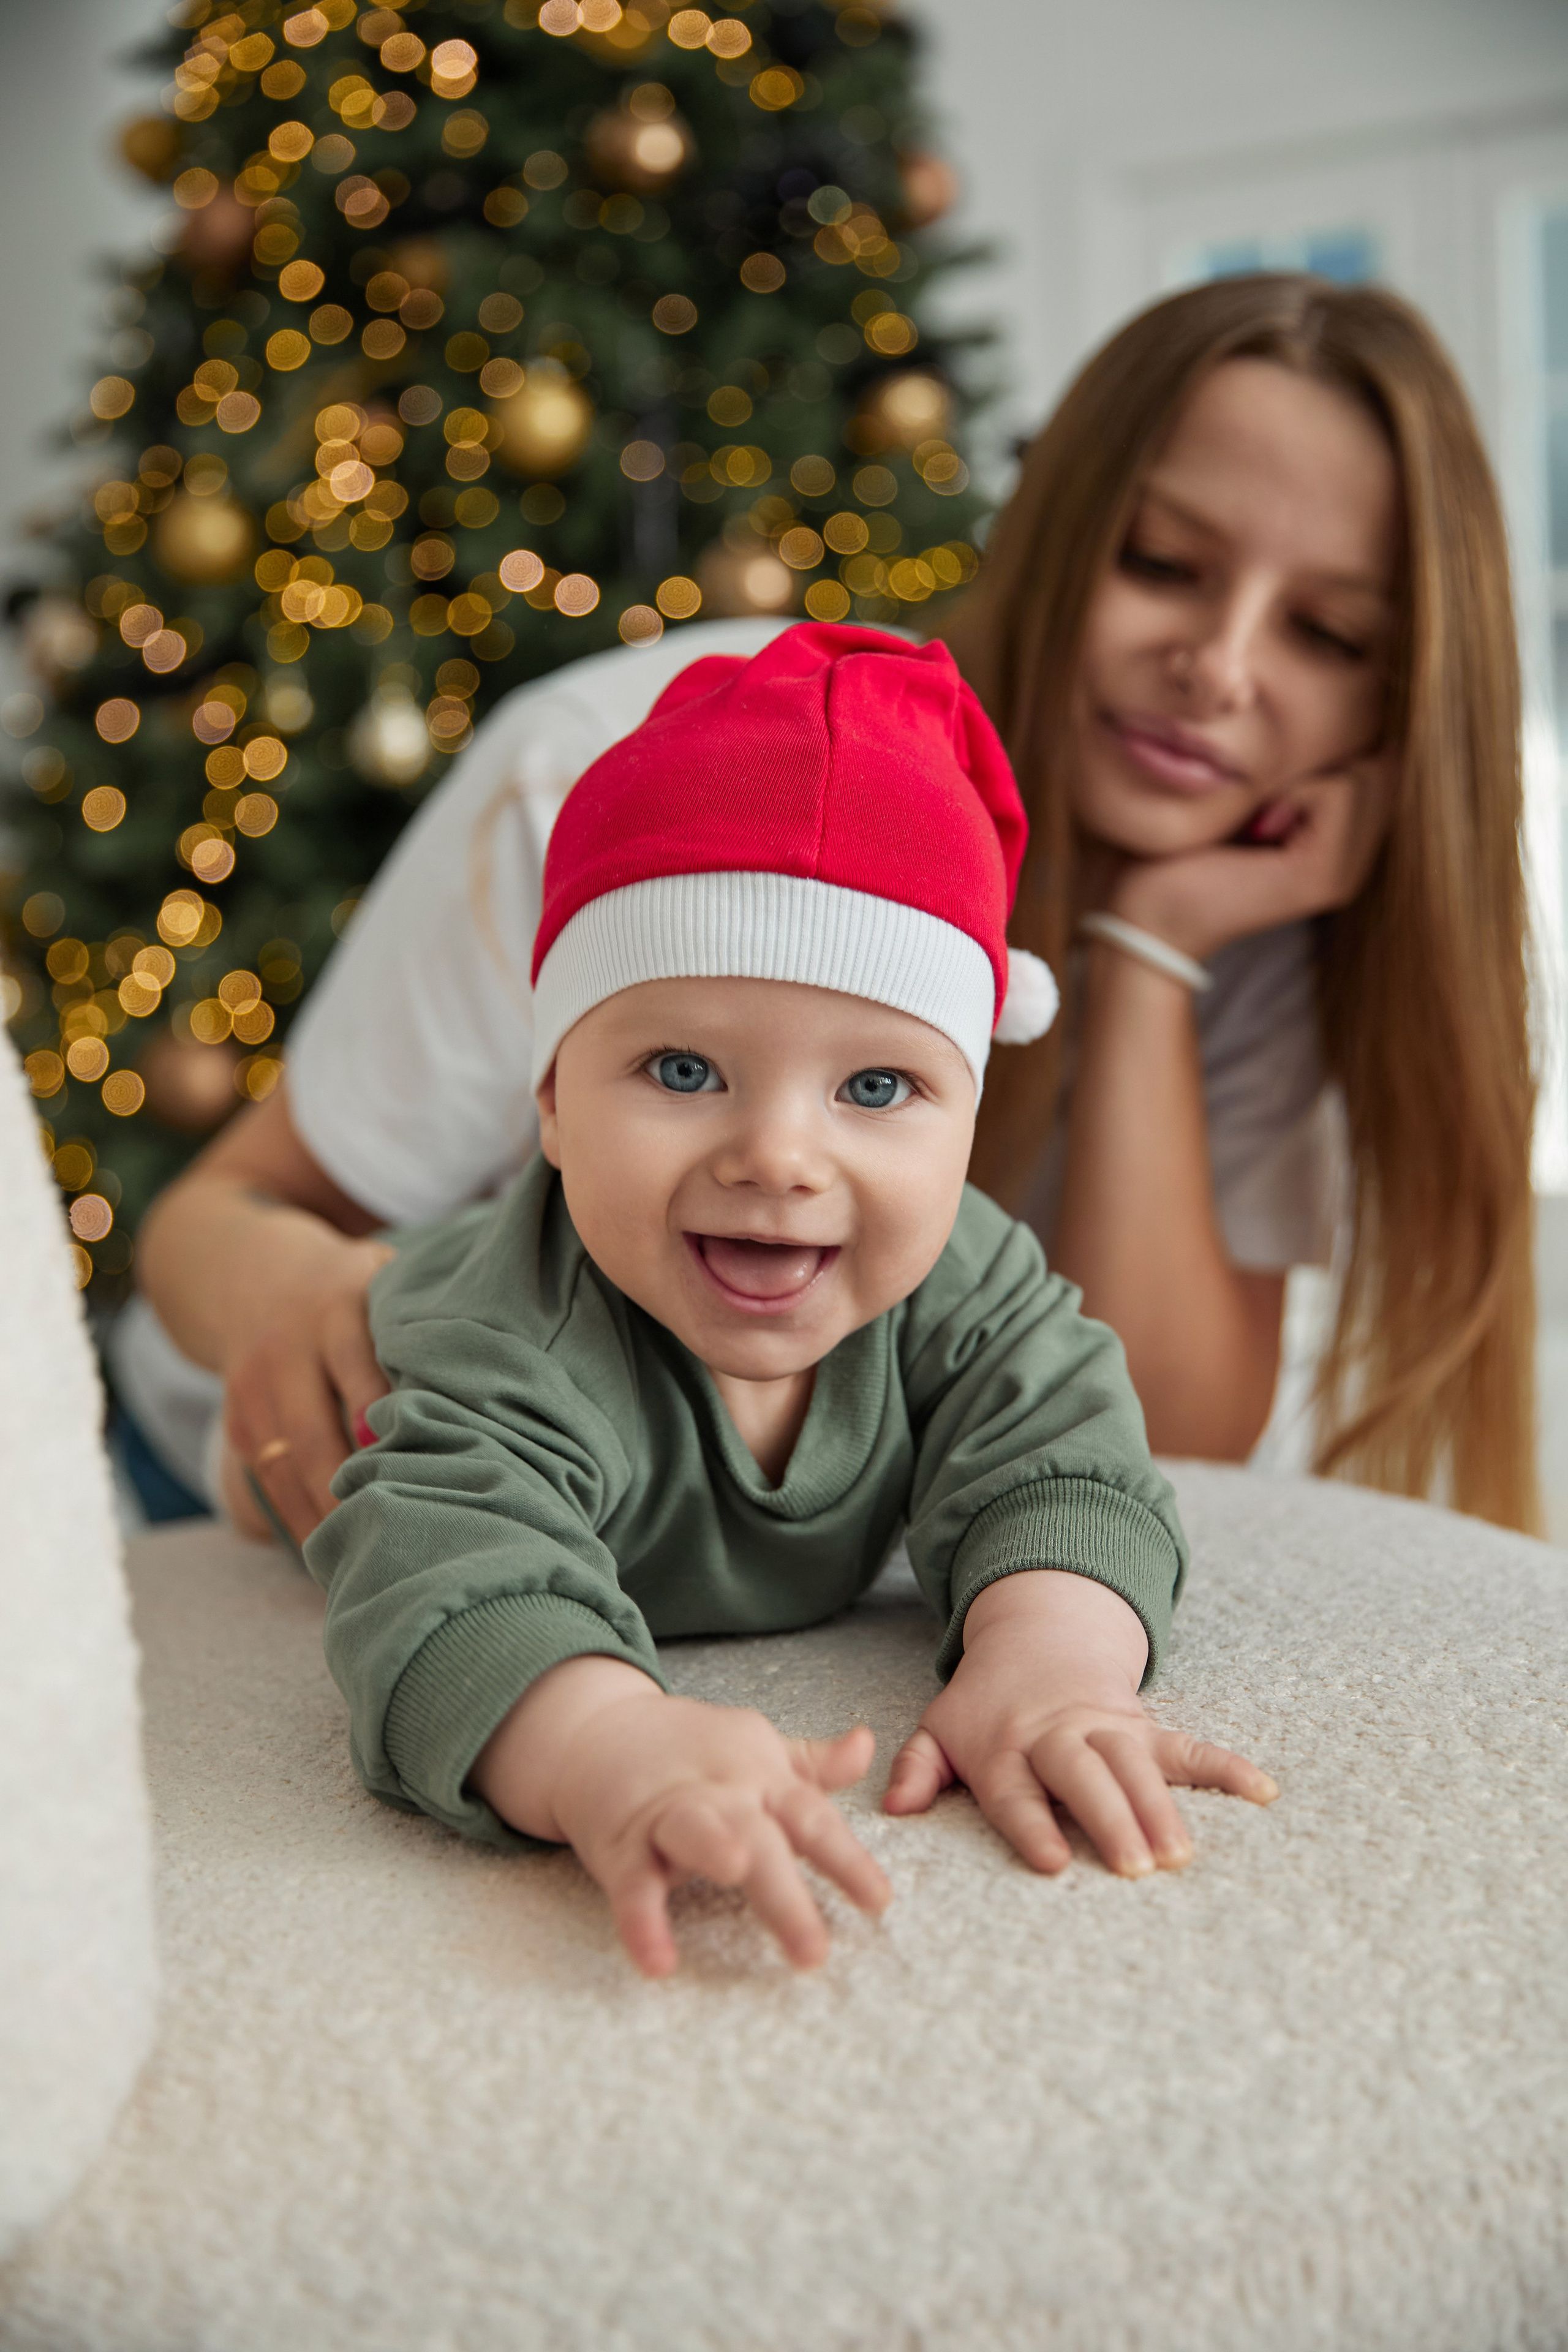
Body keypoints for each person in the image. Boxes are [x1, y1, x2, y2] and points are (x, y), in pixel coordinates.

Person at [130, 272, 1538, 1544]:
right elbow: (214, 1218)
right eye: (1160, 565)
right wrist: (293, 1298)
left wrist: (1153, 953)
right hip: (218, 1493)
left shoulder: (1254, 906)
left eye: (1327, 634)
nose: (1219, 669)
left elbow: (1150, 1452)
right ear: (1051, 526)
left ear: (1395, 696)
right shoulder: (627, 766)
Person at [303, 623, 1276, 1975]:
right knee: (305, 1502)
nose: (776, 1157)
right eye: (683, 1070)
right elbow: (437, 1577)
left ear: (965, 1128)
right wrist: (602, 1742)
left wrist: (1049, 1660)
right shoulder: (509, 1335)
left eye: (876, 1089)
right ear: (550, 1105)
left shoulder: (965, 1278)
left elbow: (1065, 1458)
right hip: (311, 1414)